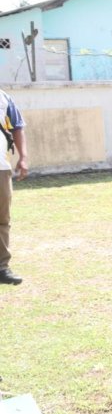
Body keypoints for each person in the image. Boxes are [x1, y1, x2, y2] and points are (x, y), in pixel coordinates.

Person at [0, 89, 28, 286]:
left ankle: (2, 267)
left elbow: (17, 127)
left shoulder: (4, 97)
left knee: (2, 220)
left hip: (1, 167)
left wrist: (23, 156)